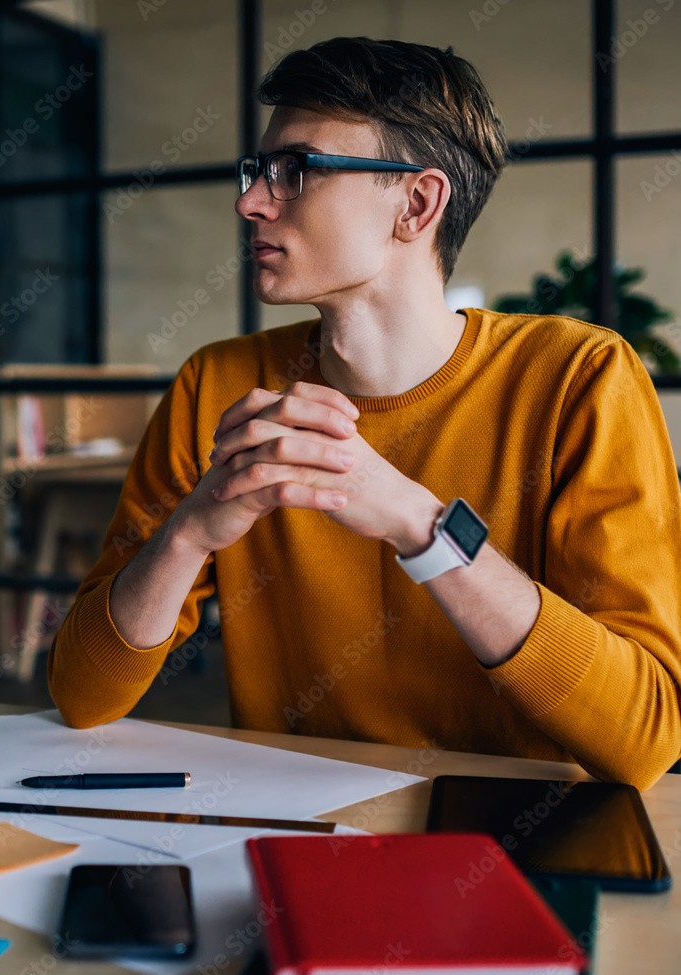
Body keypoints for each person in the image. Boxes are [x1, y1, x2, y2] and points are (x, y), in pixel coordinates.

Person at [48, 36, 681, 790]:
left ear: (416, 204)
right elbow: (83, 698)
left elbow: (643, 740)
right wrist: (190, 532)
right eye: (259, 171)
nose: (251, 201)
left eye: (297, 171)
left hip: (513, 844)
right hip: (288, 837)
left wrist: (420, 526)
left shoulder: (580, 378)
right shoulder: (217, 385)